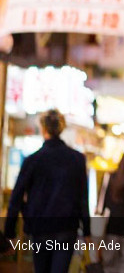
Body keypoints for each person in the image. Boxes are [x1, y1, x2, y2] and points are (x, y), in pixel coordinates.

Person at [5, 109, 90, 273]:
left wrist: (10, 231)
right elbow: (82, 198)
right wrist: (87, 230)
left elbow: (16, 197)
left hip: (40, 227)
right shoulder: (77, 159)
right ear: (62, 128)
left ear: (43, 128)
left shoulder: (33, 160)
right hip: (67, 227)